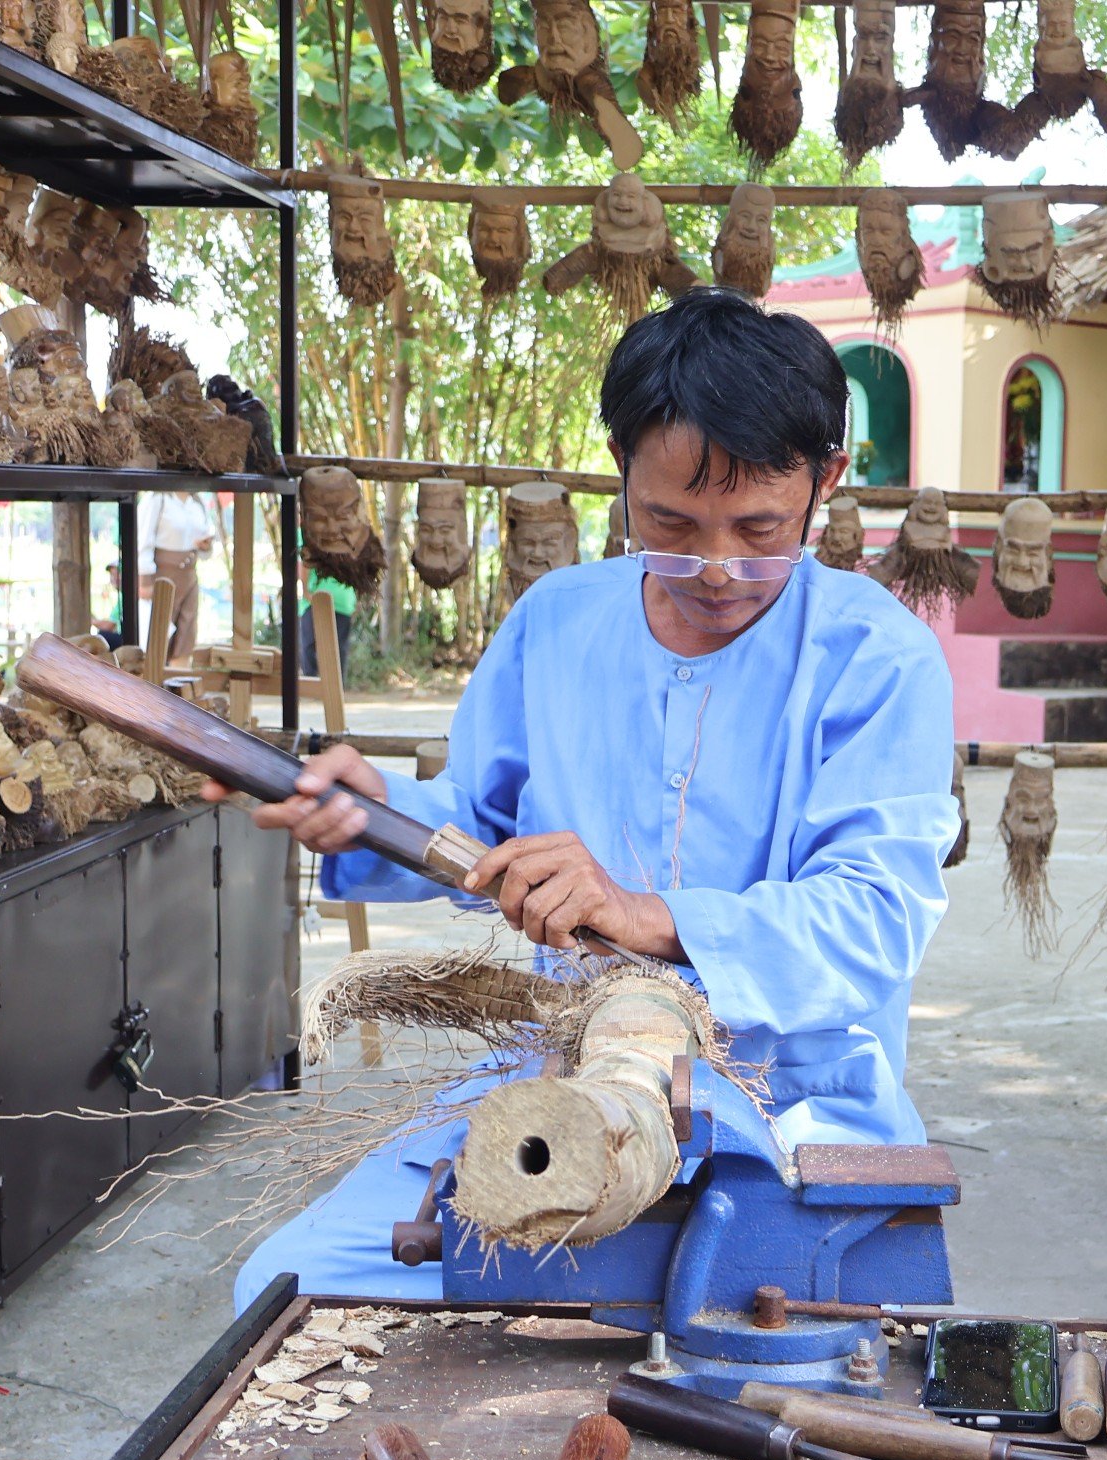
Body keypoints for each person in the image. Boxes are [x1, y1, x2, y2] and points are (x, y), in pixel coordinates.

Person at [226, 288, 958, 1309]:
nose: (713, 569)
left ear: (827, 481)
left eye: (757, 530)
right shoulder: (557, 623)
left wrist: (644, 915)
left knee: (790, 1354)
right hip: (561, 1086)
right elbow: (484, 833)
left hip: (787, 1112)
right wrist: (375, 806)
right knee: (290, 1290)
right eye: (669, 523)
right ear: (619, 474)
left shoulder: (877, 659)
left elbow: (874, 918)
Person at [139, 488, 217, 664]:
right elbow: (143, 540)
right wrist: (145, 581)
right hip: (163, 575)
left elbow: (206, 539)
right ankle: (152, 684)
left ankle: (178, 686)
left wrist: (205, 545)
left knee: (186, 633)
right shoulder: (158, 498)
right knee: (158, 634)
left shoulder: (197, 501)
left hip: (189, 574)